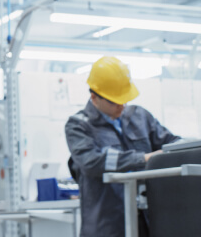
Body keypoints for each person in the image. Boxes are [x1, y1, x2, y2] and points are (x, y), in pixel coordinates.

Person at [65, 56, 180, 237]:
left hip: (146, 221)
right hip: (106, 225)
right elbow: (92, 162)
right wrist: (143, 159)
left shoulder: (140, 117)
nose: (121, 106)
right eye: (114, 101)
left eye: (124, 99)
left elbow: (173, 143)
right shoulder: (79, 126)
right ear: (94, 97)